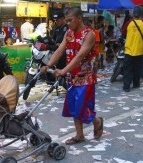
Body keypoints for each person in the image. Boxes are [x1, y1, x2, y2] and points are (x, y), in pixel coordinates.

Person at [40, 7, 103, 145]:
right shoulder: (68, 33)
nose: (68, 23)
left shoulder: (89, 34)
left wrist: (63, 71)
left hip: (86, 76)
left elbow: (80, 56)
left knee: (82, 107)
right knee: (74, 106)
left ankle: (97, 121)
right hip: (72, 77)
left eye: (70, 20)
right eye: (66, 21)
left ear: (79, 18)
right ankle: (79, 135)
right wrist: (48, 65)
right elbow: (60, 50)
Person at [121, 6, 143, 92]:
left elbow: (123, 34)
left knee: (128, 69)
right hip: (139, 50)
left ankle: (126, 86)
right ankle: (136, 84)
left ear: (133, 14)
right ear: (141, 14)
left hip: (128, 50)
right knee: (137, 68)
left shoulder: (128, 23)